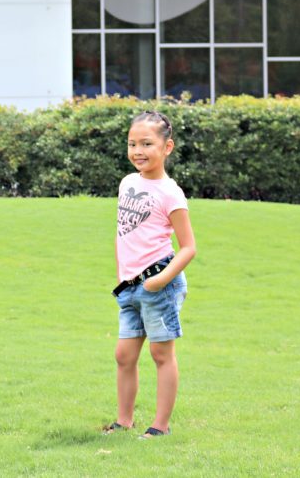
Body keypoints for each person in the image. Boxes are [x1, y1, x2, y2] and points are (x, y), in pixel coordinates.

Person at [102, 110, 196, 439]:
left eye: (147, 143)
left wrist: (160, 280)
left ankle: (160, 426)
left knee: (160, 354)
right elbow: (122, 233)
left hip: (159, 283)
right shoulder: (127, 183)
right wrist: (121, 272)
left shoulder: (170, 192)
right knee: (124, 355)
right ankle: (123, 421)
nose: (138, 151)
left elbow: (188, 247)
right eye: (132, 144)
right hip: (128, 285)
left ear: (167, 147)